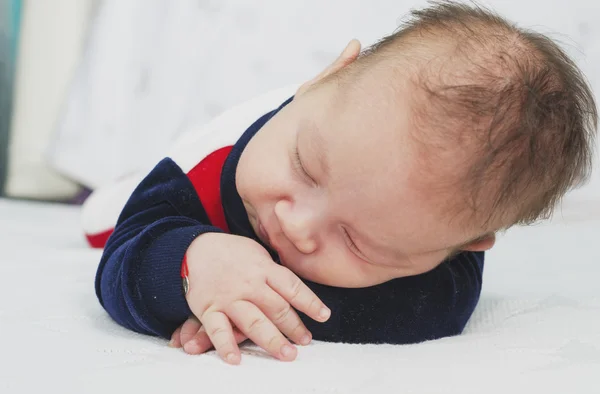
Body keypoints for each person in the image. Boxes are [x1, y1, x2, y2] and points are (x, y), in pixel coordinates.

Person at [83, 1, 597, 365]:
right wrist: (190, 267)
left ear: (461, 245)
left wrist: (254, 305)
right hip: (196, 169)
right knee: (105, 220)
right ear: (325, 77)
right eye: (304, 167)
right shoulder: (211, 166)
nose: (296, 224)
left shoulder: (439, 224)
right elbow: (123, 263)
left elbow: (424, 315)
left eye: (355, 241)